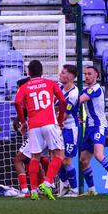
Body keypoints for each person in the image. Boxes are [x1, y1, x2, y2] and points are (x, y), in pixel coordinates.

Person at [14, 60, 67, 201]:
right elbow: (62, 101)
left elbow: (17, 102)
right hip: (50, 122)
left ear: (29, 72)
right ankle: (47, 182)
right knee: (59, 155)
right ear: (42, 71)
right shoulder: (51, 83)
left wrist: (23, 122)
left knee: (34, 157)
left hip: (34, 125)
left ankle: (34, 191)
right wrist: (60, 119)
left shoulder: (24, 87)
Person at [79, 66, 108, 196]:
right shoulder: (86, 90)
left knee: (98, 155)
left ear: (96, 76)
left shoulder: (96, 88)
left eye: (89, 74)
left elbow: (79, 100)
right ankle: (92, 190)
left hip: (98, 126)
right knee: (83, 159)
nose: (86, 76)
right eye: (85, 74)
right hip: (89, 127)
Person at [56, 64, 79, 197]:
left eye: (63, 73)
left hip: (69, 128)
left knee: (66, 160)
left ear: (70, 76)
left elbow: (64, 116)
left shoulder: (74, 94)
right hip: (58, 127)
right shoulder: (59, 86)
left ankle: (74, 190)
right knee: (55, 158)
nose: (60, 74)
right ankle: (65, 185)